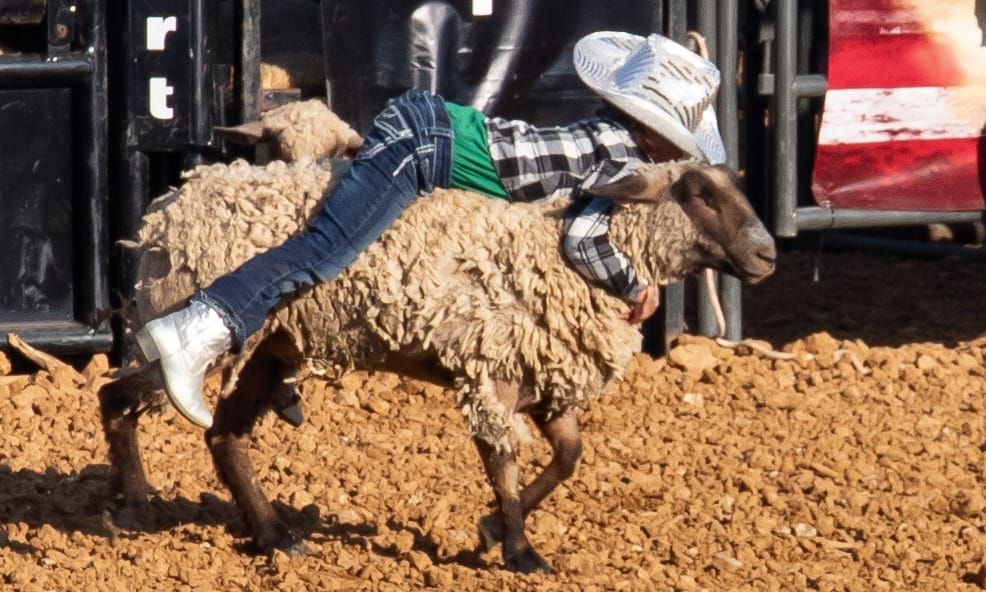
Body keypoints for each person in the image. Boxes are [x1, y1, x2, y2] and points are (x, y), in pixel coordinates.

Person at [136, 31, 727, 429]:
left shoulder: (607, 132)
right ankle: (196, 330)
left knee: (339, 249)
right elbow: (583, 238)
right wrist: (633, 285)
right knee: (325, 250)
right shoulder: (618, 158)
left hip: (426, 130)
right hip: (421, 148)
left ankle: (273, 361)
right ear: (658, 131)